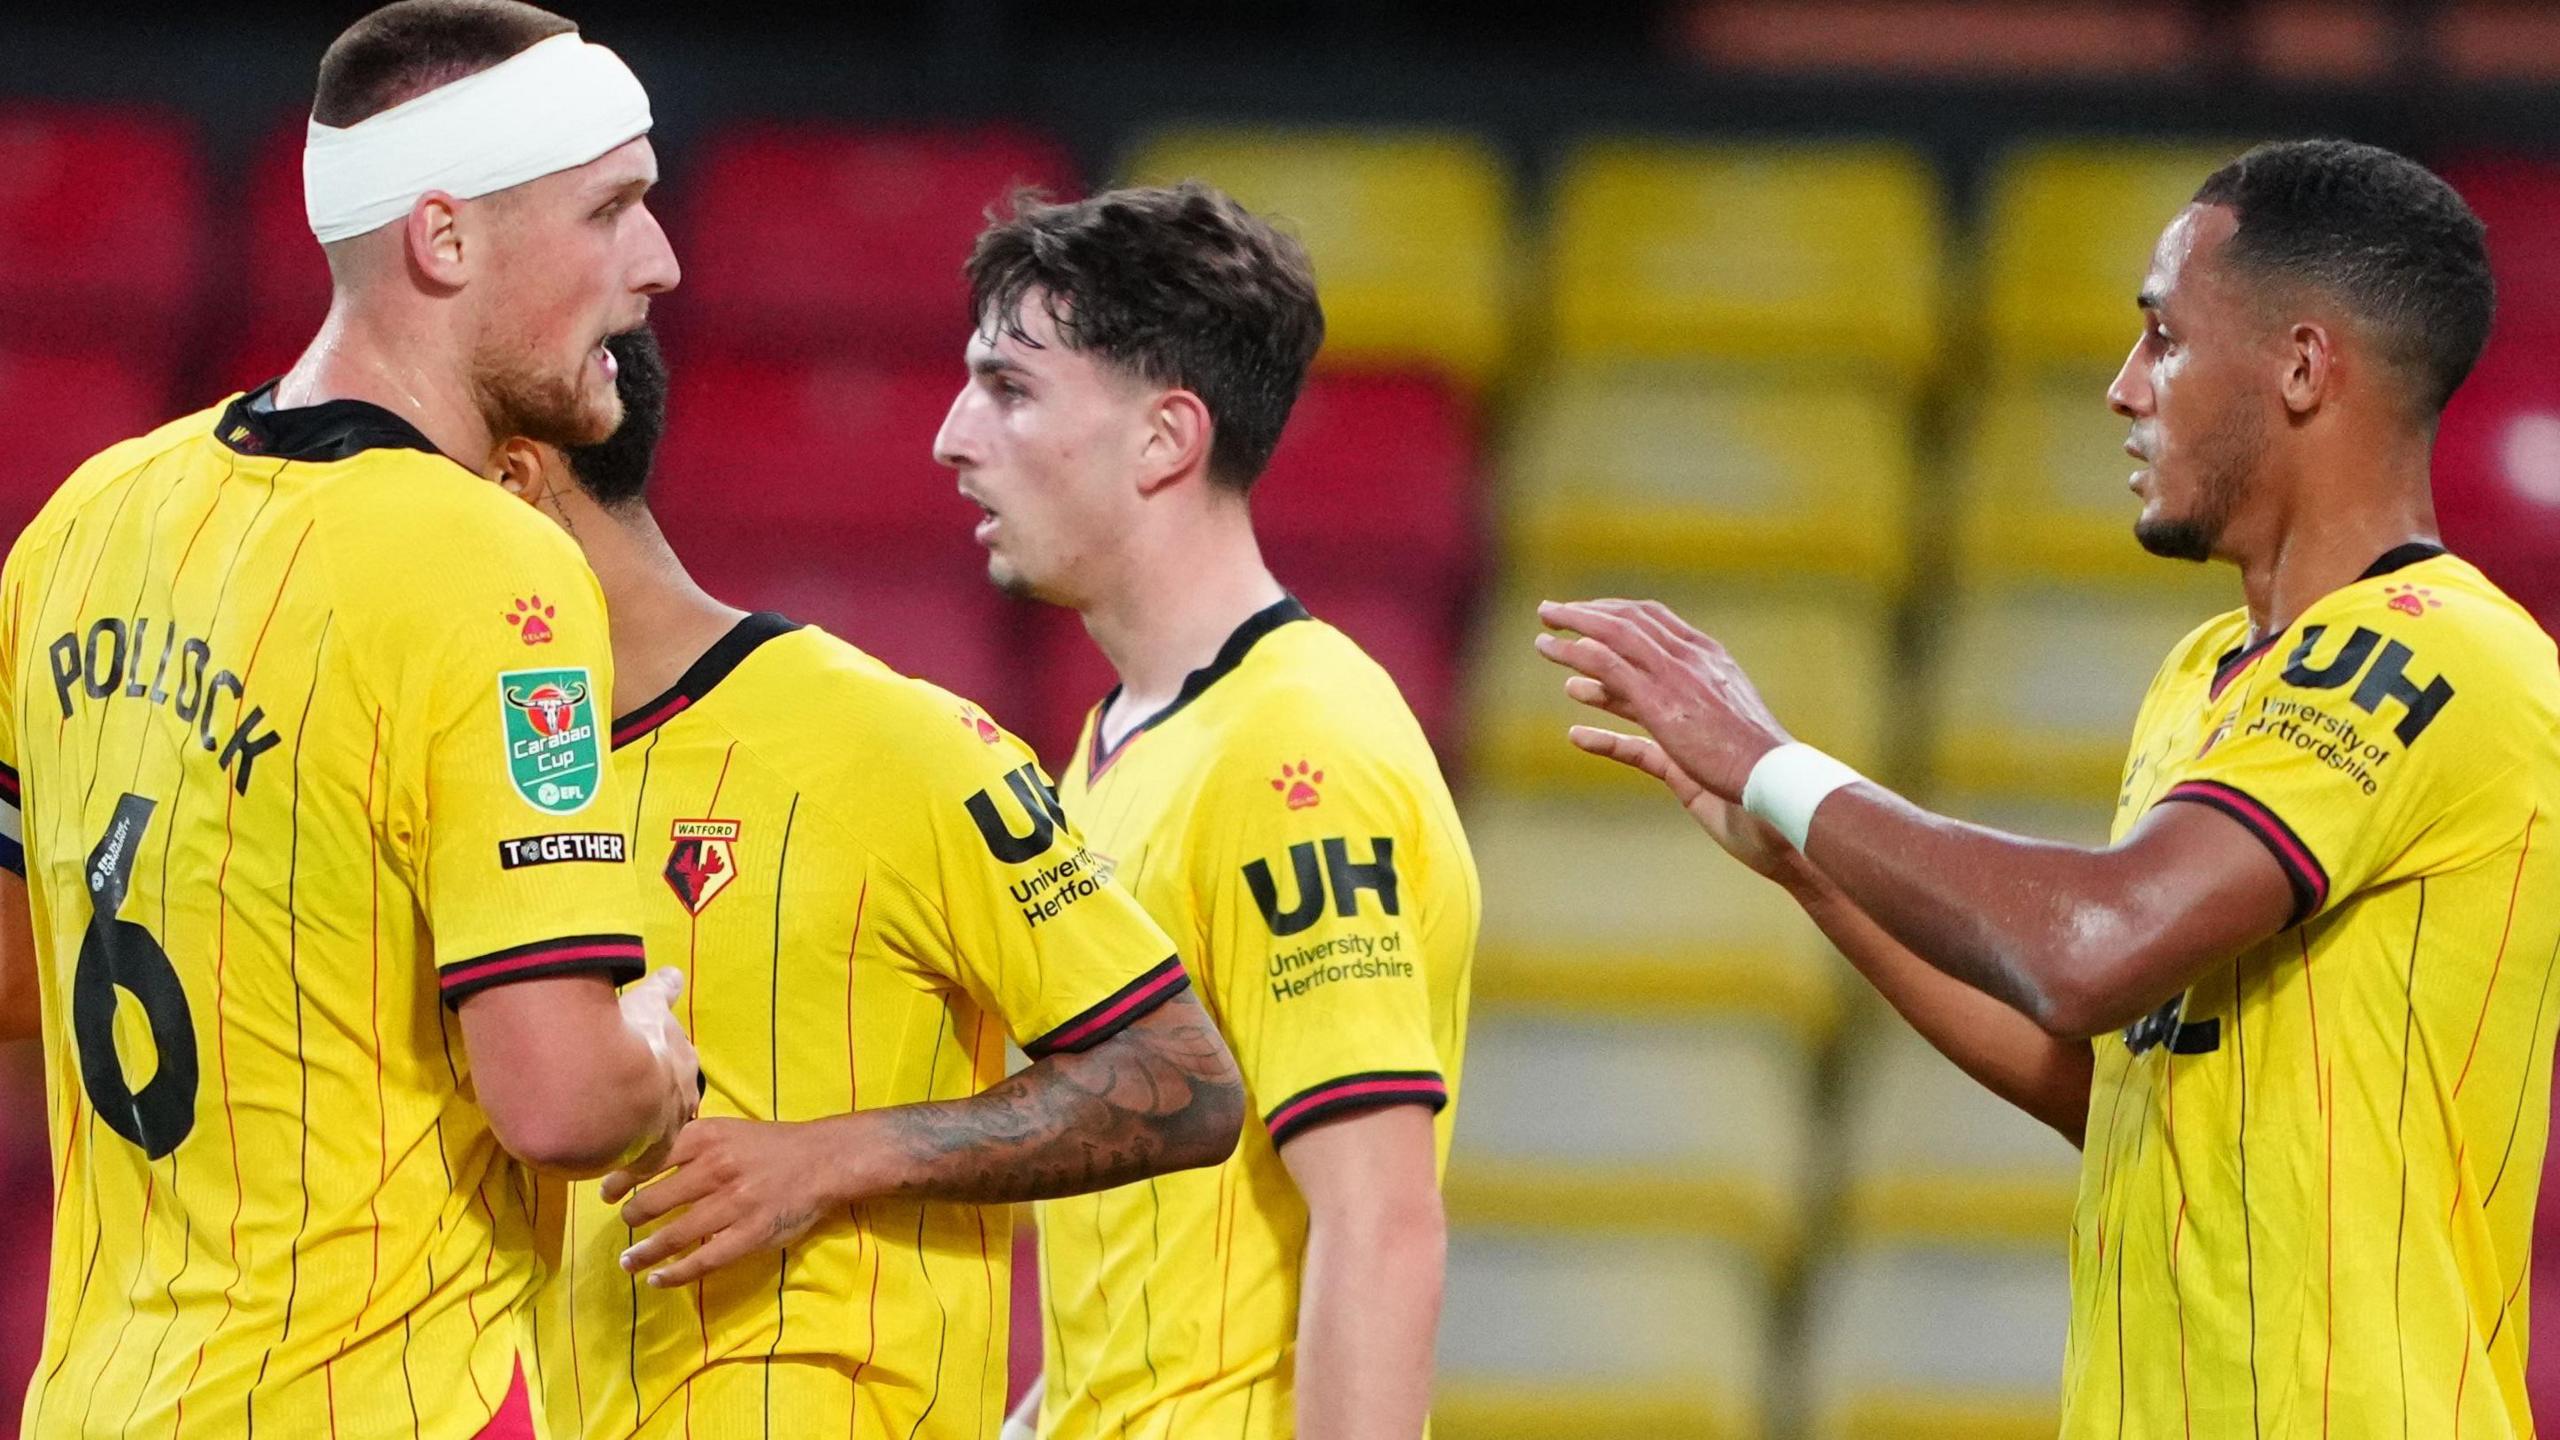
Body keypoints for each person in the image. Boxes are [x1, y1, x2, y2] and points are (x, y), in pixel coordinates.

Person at [1539, 138, 2560, 1436]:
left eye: (2165, 339)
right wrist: (1804, 858)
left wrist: (1777, 762)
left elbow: (2090, 946)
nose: (2123, 389)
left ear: (2303, 366)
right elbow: (2121, 1090)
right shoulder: (2207, 676)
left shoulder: (2435, 652)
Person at [0, 3, 703, 1433]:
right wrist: (654, 1059)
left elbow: (19, 981)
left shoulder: (88, 515)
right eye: (612, 209)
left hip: (100, 1399)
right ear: (443, 240)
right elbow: (561, 1104)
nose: (660, 262)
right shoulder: (493, 565)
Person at [482, 326, 1245, 1438]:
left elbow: (1186, 1081)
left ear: (514, 475)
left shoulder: (887, 743)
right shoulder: (501, 780)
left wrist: (833, 1156)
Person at [933, 183, 1480, 1440]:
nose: (952, 436)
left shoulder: (1297, 754)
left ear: (1163, 439)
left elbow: (1380, 1223)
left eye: (1011, 388)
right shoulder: (1115, 753)